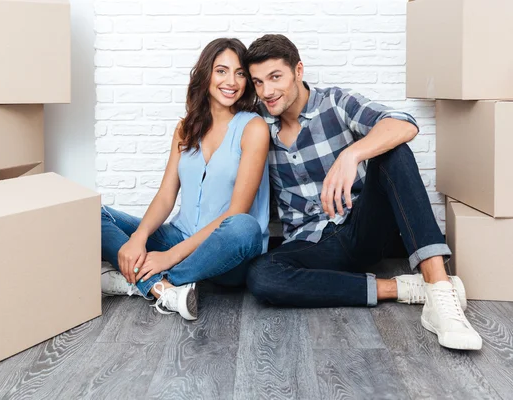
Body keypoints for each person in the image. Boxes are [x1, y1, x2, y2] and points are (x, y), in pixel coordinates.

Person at [244, 34, 481, 350]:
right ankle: (404, 289)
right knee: (262, 277)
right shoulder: (258, 126)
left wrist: (352, 153)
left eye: (275, 77)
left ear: (298, 71)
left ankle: (440, 292)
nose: (267, 91)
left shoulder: (334, 103)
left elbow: (403, 124)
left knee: (394, 152)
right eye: (258, 83)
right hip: (310, 243)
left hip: (362, 227)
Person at [100, 38, 270, 321]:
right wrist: (138, 238)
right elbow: (167, 194)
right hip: (179, 235)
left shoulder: (254, 128)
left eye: (240, 73)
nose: (232, 81)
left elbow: (236, 212)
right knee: (94, 215)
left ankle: (138, 281)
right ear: (206, 74)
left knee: (245, 227)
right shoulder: (186, 128)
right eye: (221, 71)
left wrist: (170, 256)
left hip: (225, 252)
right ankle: (160, 288)